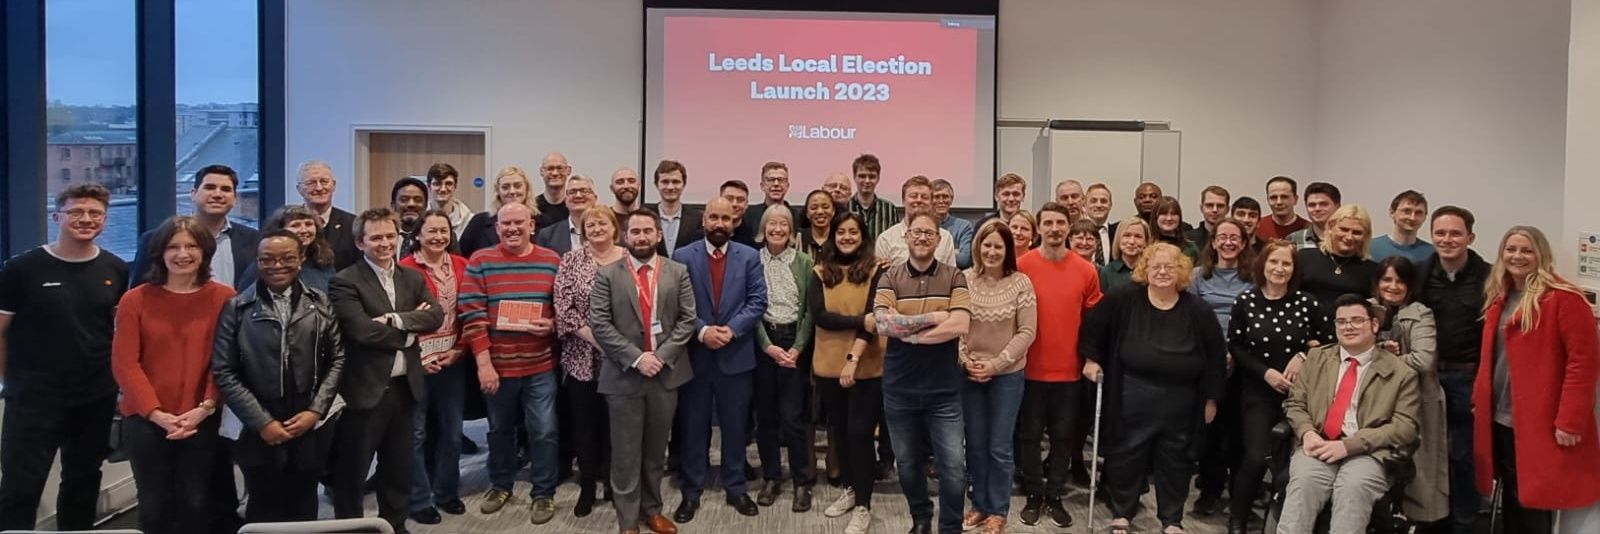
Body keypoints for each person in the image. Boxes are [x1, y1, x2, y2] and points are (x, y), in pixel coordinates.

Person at [0, 184, 128, 531]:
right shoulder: (21, 269)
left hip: (94, 396)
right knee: (19, 486)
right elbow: (1, 329)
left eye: (94, 213)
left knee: (83, 480)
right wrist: (8, 382)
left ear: (104, 220)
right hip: (33, 398)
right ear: (57, 216)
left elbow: (118, 332)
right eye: (76, 212)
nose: (85, 219)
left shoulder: (115, 269)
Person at [1080, 242, 1226, 534]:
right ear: (1145, 269)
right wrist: (1091, 359)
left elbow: (1215, 357)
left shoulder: (1198, 310)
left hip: (1182, 400)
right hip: (1131, 392)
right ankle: (1122, 513)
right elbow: (1094, 329)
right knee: (1126, 454)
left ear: (1181, 271)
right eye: (1155, 266)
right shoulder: (1123, 299)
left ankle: (1172, 520)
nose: (1162, 272)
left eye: (1169, 267)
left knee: (1176, 460)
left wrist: (1211, 399)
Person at [211, 230, 346, 523]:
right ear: (257, 262)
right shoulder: (237, 308)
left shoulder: (321, 302)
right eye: (267, 259)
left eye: (287, 258)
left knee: (304, 500)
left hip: (308, 420)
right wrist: (262, 422)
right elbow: (224, 370)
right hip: (256, 423)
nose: (277, 265)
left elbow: (336, 359)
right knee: (264, 502)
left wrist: (315, 411)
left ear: (300, 260)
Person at [112, 216, 235, 534]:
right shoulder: (135, 299)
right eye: (174, 246)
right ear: (160, 253)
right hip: (145, 421)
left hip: (200, 419)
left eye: (191, 245)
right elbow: (125, 364)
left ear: (204, 251)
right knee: (154, 506)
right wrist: (157, 414)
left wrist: (205, 407)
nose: (183, 253)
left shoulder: (224, 297)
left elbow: (224, 361)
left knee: (196, 504)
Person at [1474, 226, 1600, 532]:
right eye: (1511, 249)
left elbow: (1583, 365)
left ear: (1540, 255)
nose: (1517, 256)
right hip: (1500, 419)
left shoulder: (1564, 299)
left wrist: (1570, 421)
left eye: (1526, 250)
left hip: (1540, 424)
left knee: (1535, 505)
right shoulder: (1499, 298)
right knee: (1513, 503)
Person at [329, 208, 445, 533]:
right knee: (353, 470)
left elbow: (435, 316)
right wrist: (411, 327)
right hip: (364, 391)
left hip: (405, 388)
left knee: (397, 467)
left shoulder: (412, 276)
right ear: (360, 242)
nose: (384, 243)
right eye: (376, 237)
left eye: (390, 236)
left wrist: (395, 320)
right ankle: (350, 528)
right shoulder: (344, 281)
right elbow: (361, 331)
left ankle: (395, 525)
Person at [592, 208, 698, 534]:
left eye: (647, 231)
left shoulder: (677, 271)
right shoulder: (608, 274)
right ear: (626, 236)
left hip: (665, 375)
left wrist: (661, 356)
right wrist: (638, 358)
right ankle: (627, 521)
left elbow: (687, 319)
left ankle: (652, 510)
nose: (641, 237)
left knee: (655, 451)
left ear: (657, 235)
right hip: (624, 376)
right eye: (635, 232)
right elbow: (600, 323)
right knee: (625, 453)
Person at [1277, 294, 1421, 534]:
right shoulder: (1316, 359)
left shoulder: (1401, 373)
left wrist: (1350, 446)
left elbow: (1405, 427)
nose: (1348, 327)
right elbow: (1295, 404)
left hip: (1369, 451)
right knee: (1304, 483)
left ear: (1374, 325)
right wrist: (1307, 433)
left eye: (1356, 320)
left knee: (1352, 487)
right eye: (1341, 322)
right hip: (1320, 443)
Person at [459, 202, 564, 522]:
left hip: (541, 365)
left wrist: (555, 324)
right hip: (498, 366)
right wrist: (483, 364)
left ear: (532, 225)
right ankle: (501, 484)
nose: (512, 229)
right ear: (496, 227)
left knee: (544, 431)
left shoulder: (551, 261)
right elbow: (472, 316)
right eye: (505, 224)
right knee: (499, 430)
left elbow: (564, 306)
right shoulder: (481, 261)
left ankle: (544, 492)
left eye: (519, 222)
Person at [873, 211, 972, 534]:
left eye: (929, 233)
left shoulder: (954, 276)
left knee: (954, 469)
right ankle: (921, 517)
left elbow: (960, 323)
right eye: (916, 232)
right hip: (899, 390)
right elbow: (883, 323)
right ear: (906, 236)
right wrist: (933, 317)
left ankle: (950, 527)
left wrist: (909, 331)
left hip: (944, 391)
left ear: (940, 238)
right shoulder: (890, 277)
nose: (922, 237)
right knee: (907, 466)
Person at [670, 197, 769, 520]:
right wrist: (701, 332)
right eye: (714, 217)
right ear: (704, 220)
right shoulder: (682, 256)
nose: (719, 224)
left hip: (735, 354)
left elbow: (757, 301)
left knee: (735, 427)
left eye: (726, 218)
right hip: (696, 356)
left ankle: (736, 487)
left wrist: (730, 330)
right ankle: (691, 491)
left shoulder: (750, 257)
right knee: (694, 427)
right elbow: (678, 305)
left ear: (735, 222)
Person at [1226, 239, 1330, 533]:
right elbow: (1236, 344)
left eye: (1286, 263)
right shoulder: (1245, 301)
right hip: (1258, 390)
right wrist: (1266, 373)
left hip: (1301, 394)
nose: (1279, 268)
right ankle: (1238, 519)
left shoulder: (1307, 303)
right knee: (1255, 456)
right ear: (1263, 265)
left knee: (1298, 463)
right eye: (1274, 262)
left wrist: (1302, 355)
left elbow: (1327, 342)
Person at [1014, 202, 1102, 528]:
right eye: (1048, 222)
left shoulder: (1086, 270)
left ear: (1068, 227)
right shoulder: (1022, 265)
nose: (1054, 228)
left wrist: (1092, 358)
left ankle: (1055, 495)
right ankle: (1034, 495)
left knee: (1064, 438)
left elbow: (1093, 322)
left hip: (1069, 373)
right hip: (1028, 370)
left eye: (1060, 223)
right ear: (1039, 228)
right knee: (1029, 437)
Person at [809, 212, 888, 533]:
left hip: (867, 364)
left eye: (853, 232)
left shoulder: (876, 270)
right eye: (841, 232)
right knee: (839, 434)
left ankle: (864, 505)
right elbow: (820, 316)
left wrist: (854, 355)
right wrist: (858, 321)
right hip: (828, 364)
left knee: (860, 434)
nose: (846, 237)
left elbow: (875, 317)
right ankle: (851, 490)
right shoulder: (818, 271)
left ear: (862, 236)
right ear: (833, 236)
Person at [1413, 206, 1489, 534]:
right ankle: (1431, 521)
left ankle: (1464, 523)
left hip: (1467, 376)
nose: (1447, 239)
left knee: (1462, 456)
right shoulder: (1419, 273)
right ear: (1431, 236)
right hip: (1426, 375)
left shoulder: (1489, 277)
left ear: (1470, 237)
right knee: (1427, 454)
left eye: (1455, 233)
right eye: (1440, 233)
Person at [958, 221, 1037, 534]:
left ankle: (997, 509)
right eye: (986, 245)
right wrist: (966, 361)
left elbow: (1027, 331)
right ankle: (978, 505)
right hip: (969, 374)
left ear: (1008, 250)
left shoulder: (1021, 283)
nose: (991, 251)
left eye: (998, 246)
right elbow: (957, 326)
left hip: (1007, 376)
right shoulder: (963, 280)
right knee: (974, 444)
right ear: (978, 246)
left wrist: (997, 364)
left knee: (999, 447)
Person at [552, 207, 628, 517]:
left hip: (623, 358)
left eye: (602, 222)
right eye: (590, 224)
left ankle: (612, 482)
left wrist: (618, 346)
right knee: (584, 425)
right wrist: (599, 341)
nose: (596, 227)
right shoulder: (571, 260)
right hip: (582, 356)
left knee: (617, 425)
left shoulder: (629, 258)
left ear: (614, 227)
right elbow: (564, 308)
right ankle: (586, 486)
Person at [398, 209, 469, 524]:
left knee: (453, 432)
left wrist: (460, 350)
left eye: (444, 231)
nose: (439, 236)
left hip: (453, 358)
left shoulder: (462, 265)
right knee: (415, 433)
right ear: (417, 235)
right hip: (416, 362)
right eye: (432, 231)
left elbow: (472, 312)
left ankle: (446, 492)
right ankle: (418, 499)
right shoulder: (404, 269)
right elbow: (399, 320)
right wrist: (420, 358)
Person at [1369, 256, 1448, 525]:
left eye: (1400, 281)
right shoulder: (1365, 310)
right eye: (1386, 279)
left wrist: (1384, 359)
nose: (1392, 286)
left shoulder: (1420, 313)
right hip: (1373, 402)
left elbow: (1423, 360)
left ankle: (1416, 523)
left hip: (1416, 402)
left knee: (1419, 471)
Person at [1187, 218, 1254, 516]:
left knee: (1238, 430)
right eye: (1222, 237)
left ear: (1243, 243)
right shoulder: (1197, 276)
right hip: (1205, 361)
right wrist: (1215, 353)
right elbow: (1188, 319)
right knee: (1210, 431)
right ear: (1213, 243)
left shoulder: (1254, 278)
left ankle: (1239, 494)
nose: (1228, 242)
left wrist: (1234, 352)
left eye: (1234, 237)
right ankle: (1210, 490)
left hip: (1244, 361)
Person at [752, 204, 816, 510]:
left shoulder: (803, 261)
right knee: (766, 416)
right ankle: (772, 477)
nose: (778, 229)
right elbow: (749, 308)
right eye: (772, 224)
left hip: (794, 343)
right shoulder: (752, 261)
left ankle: (802, 482)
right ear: (763, 228)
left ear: (791, 230)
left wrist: (797, 348)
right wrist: (767, 346)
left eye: (784, 224)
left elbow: (810, 311)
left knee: (793, 418)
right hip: (764, 342)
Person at [131, 164, 260, 290]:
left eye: (226, 189)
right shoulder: (154, 240)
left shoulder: (254, 240)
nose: (217, 194)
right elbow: (140, 292)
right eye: (210, 187)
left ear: (235, 198)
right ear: (193, 193)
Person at [1296, 204, 1380, 319]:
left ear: (1365, 236)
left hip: (1348, 332)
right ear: (1331, 227)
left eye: (1357, 232)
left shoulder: (1372, 270)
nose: (1349, 237)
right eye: (1344, 229)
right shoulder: (1304, 257)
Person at [240, 205, 338, 292]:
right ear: (279, 230)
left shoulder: (324, 261)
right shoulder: (263, 265)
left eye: (308, 224)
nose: (304, 230)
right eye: (295, 225)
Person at [877, 175, 957, 266]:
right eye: (914, 196)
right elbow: (881, 278)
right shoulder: (886, 239)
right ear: (903, 200)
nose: (919, 200)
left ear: (931, 202)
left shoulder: (945, 238)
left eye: (924, 197)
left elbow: (951, 277)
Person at [297, 160, 362, 270]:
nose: (319, 188)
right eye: (311, 183)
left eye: (324, 181)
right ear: (299, 189)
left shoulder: (352, 223)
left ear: (334, 185)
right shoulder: (289, 225)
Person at [460, 165, 537, 257]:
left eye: (517, 186)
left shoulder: (542, 222)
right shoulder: (479, 222)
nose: (512, 191)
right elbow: (461, 258)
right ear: (498, 191)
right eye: (505, 187)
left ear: (527, 189)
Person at [649, 160, 702, 257]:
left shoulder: (697, 219)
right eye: (665, 182)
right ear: (656, 184)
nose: (670, 187)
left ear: (684, 184)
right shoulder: (646, 217)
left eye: (676, 182)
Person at [536, 174, 599, 255]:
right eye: (572, 192)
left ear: (595, 198)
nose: (578, 195)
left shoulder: (608, 231)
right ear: (565, 200)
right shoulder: (547, 235)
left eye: (584, 191)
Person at [1369, 190, 1434, 263]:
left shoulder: (1432, 253)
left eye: (1418, 213)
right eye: (1407, 211)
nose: (1412, 218)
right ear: (1392, 213)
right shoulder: (1371, 248)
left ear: (1425, 217)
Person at [848, 153, 901, 240]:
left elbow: (894, 240)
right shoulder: (845, 207)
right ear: (854, 177)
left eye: (872, 177)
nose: (867, 181)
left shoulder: (889, 209)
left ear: (878, 178)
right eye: (862, 176)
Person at [931, 178, 976, 269]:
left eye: (945, 197)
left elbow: (964, 260)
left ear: (951, 200)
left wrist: (930, 254)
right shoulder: (921, 226)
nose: (941, 201)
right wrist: (953, 251)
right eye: (936, 197)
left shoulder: (964, 227)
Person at [1100, 216, 1152, 293]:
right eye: (1127, 235)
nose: (1132, 241)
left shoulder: (1151, 270)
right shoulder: (1106, 272)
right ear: (1118, 239)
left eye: (1138, 236)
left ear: (1146, 242)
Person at [1286, 182, 1342, 250]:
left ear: (1338, 207)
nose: (1317, 209)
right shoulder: (1294, 239)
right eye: (1312, 205)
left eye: (1323, 204)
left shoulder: (1346, 238)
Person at [752, 161, 804, 234]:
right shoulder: (749, 215)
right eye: (770, 180)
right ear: (762, 186)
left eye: (781, 180)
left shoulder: (799, 216)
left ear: (787, 186)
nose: (776, 184)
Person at [428, 162, 475, 240]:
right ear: (429, 186)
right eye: (437, 184)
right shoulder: (419, 218)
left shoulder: (470, 221)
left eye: (448, 184)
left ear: (455, 186)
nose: (443, 189)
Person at [1255, 176, 1309, 241]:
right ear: (1268, 200)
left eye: (1284, 197)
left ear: (1295, 199)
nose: (1279, 202)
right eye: (1273, 197)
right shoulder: (1257, 227)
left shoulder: (1309, 229)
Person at [392, 176, 430, 256]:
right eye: (404, 199)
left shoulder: (439, 236)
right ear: (393, 205)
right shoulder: (381, 236)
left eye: (418, 200)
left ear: (426, 205)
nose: (411, 204)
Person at [534, 152, 572, 229]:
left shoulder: (574, 207)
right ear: (541, 171)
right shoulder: (532, 207)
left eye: (559, 168)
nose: (555, 173)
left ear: (568, 170)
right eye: (550, 168)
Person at [720, 180, 761, 248]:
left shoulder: (755, 239)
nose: (734, 204)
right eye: (729, 199)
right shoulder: (706, 234)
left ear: (746, 204)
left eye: (740, 200)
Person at [799, 189, 835, 258]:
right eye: (814, 208)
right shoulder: (798, 238)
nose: (820, 212)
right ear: (807, 213)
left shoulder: (839, 238)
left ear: (833, 211)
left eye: (825, 207)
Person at [1085, 183, 1115, 265]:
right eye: (1093, 201)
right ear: (1085, 204)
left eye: (1103, 201)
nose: (1098, 205)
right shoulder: (1075, 232)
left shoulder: (1117, 233)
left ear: (1110, 205)